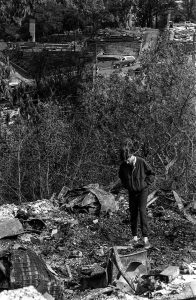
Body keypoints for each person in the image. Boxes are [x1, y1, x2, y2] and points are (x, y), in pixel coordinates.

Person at [118, 138, 155, 249]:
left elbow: (151, 173)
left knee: (142, 211)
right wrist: (127, 186)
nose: (126, 162)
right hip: (132, 191)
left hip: (143, 190)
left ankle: (145, 239)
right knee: (133, 213)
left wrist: (146, 183)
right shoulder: (123, 166)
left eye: (127, 160)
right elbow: (122, 177)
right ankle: (134, 237)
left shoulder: (141, 162)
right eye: (124, 160)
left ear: (131, 156)